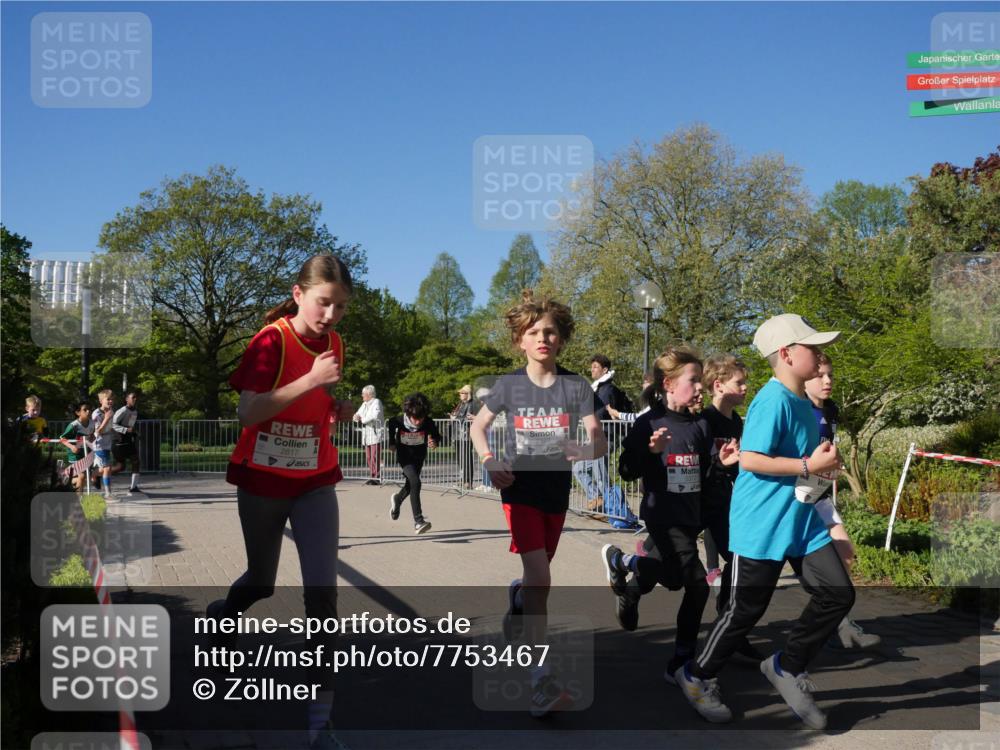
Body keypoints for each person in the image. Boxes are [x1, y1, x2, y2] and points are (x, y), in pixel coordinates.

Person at [674, 314, 853, 729]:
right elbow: (752, 459)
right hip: (762, 524)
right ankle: (696, 675)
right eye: (812, 347)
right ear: (788, 355)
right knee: (744, 610)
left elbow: (806, 470)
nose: (821, 353)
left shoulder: (805, 405)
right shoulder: (772, 400)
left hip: (802, 521)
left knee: (838, 594)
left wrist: (830, 506)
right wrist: (811, 462)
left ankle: (787, 667)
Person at [210, 254, 354, 750]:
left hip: (315, 477)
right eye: (322, 303)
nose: (331, 316)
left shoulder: (335, 342)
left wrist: (337, 407)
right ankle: (222, 614)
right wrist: (311, 381)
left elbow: (318, 403)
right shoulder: (271, 340)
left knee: (323, 593)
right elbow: (249, 411)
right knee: (261, 582)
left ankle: (321, 721)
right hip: (263, 479)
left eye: (339, 307)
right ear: (298, 294)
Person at [470, 291, 606, 718]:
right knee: (542, 577)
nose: (542, 337)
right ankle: (540, 682)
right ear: (520, 341)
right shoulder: (509, 385)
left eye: (550, 331)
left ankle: (518, 598)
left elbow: (599, 439)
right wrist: (490, 462)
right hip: (519, 490)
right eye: (533, 332)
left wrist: (583, 451)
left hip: (555, 493)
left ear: (561, 339)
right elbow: (478, 427)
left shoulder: (576, 386)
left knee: (536, 578)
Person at [600, 347, 741, 682]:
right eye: (693, 381)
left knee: (673, 578)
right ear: (669, 383)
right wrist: (651, 452)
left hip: (691, 515)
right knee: (697, 586)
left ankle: (625, 564)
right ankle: (681, 661)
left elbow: (705, 473)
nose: (700, 389)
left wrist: (720, 462)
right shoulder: (649, 422)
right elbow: (626, 470)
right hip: (662, 514)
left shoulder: (700, 425)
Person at [804, 352, 881, 650]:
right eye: (819, 375)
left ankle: (843, 623)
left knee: (846, 552)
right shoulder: (797, 409)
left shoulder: (832, 409)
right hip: (796, 495)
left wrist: (833, 466)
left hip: (819, 492)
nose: (827, 381)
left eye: (830, 375)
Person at [700, 355, 749, 590]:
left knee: (737, 558)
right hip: (697, 501)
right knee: (665, 565)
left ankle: (727, 609)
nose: (745, 387)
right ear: (718, 386)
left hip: (724, 500)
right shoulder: (705, 420)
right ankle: (630, 564)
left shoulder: (736, 421)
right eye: (739, 383)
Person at [386, 393, 441, 534]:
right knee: (416, 482)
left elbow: (436, 435)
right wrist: (392, 442)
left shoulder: (428, 422)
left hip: (419, 456)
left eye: (420, 418)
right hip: (404, 455)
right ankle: (418, 521)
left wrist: (434, 442)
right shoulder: (398, 420)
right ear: (408, 413)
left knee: (411, 485)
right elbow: (390, 424)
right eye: (414, 418)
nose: (417, 422)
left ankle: (397, 500)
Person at [58, 401, 95, 492]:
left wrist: (91, 440)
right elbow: (62, 438)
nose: (88, 411)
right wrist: (72, 447)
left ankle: (65, 479)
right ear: (78, 413)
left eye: (89, 409)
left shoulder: (92, 423)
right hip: (75, 454)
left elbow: (92, 434)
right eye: (85, 410)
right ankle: (78, 499)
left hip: (86, 453)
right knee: (82, 476)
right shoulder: (73, 425)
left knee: (86, 477)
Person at [112, 390, 143, 495]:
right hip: (118, 441)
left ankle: (133, 487)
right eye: (133, 397)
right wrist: (125, 430)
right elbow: (113, 425)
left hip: (128, 440)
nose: (135, 399)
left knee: (136, 461)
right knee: (121, 467)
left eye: (136, 397)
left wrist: (134, 432)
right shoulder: (122, 411)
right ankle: (100, 473)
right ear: (127, 399)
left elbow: (130, 426)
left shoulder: (135, 411)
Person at [353, 385, 384, 485]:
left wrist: (363, 419)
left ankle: (377, 477)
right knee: (369, 457)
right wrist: (356, 417)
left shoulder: (376, 402)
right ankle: (372, 475)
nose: (362, 396)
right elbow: (357, 414)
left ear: (369, 394)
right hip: (367, 435)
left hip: (375, 434)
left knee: (375, 456)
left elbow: (375, 415)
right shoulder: (364, 404)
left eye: (363, 394)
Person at [91, 390, 118, 499]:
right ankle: (108, 493)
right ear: (101, 401)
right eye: (108, 399)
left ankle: (93, 474)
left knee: (104, 469)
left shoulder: (110, 411)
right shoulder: (96, 413)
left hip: (107, 443)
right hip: (99, 444)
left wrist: (116, 434)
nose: (111, 401)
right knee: (107, 468)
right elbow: (98, 431)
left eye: (112, 399)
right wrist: (106, 418)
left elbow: (110, 427)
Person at [450, 385, 477, 489]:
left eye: (462, 393)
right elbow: (458, 415)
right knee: (460, 459)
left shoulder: (472, 404)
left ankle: (468, 481)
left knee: (466, 458)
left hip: (466, 434)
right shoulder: (461, 404)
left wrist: (455, 418)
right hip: (457, 434)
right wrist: (454, 416)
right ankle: (462, 479)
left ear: (468, 394)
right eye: (460, 393)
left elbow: (468, 417)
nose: (460, 394)